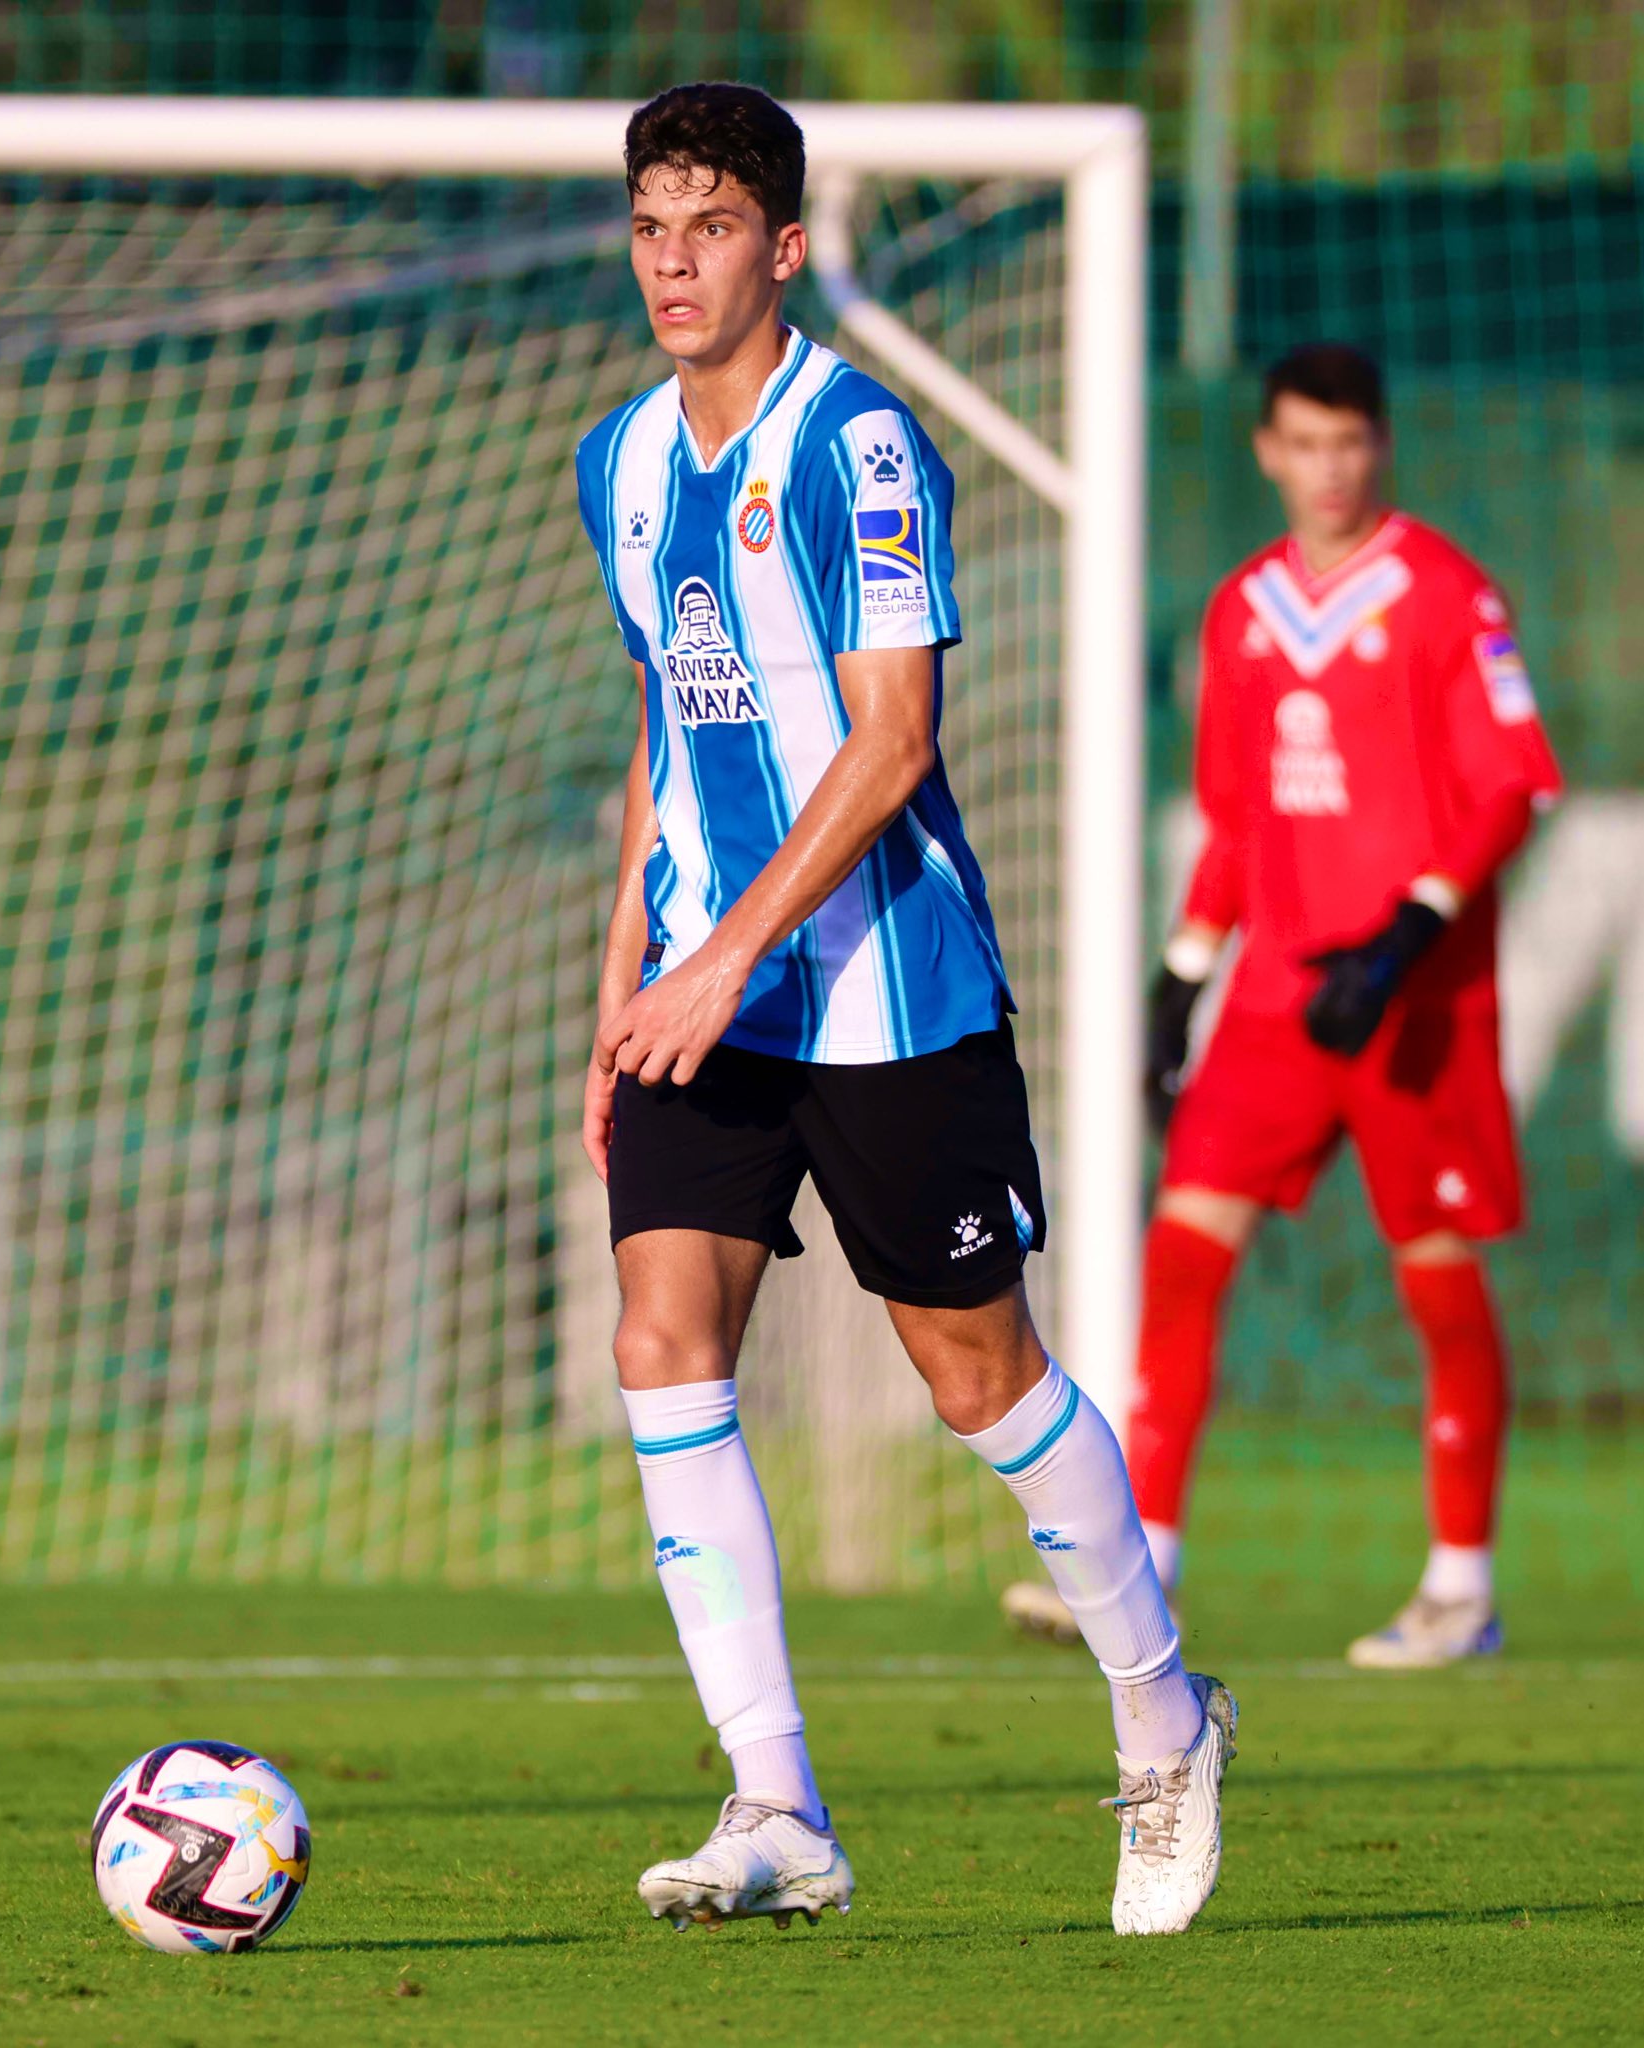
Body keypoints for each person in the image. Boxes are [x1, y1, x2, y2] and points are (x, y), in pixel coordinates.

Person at [576, 79, 1236, 1942]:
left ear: (784, 247)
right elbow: (663, 730)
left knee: (976, 1378)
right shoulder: (618, 458)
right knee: (661, 1343)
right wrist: (621, 987)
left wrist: (720, 956)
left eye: (711, 228)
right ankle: (774, 1802)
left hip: (884, 994)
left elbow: (889, 743)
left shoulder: (859, 443)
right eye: (650, 229)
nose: (673, 264)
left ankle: (1163, 1716)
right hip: (704, 1001)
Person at [1003, 343, 1561, 1668]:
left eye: (1349, 443)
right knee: (1182, 1256)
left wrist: (1412, 927)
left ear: (1381, 445)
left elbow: (1510, 788)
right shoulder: (1243, 608)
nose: (1328, 469)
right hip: (1273, 1002)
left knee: (1436, 1281)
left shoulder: (1445, 593)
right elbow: (1240, 820)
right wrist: (1181, 974)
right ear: (1267, 451)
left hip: (1412, 1000)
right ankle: (1141, 1567)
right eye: (1304, 444)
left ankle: (1460, 1588)